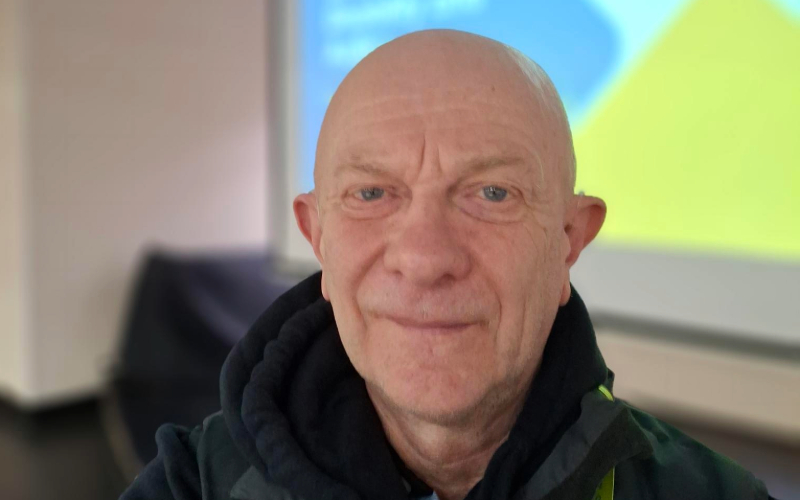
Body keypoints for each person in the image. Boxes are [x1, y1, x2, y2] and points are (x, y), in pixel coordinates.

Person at [120, 30, 772, 500]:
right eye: (372, 194)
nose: (426, 258)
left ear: (569, 238)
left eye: (492, 194)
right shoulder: (196, 480)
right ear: (317, 236)